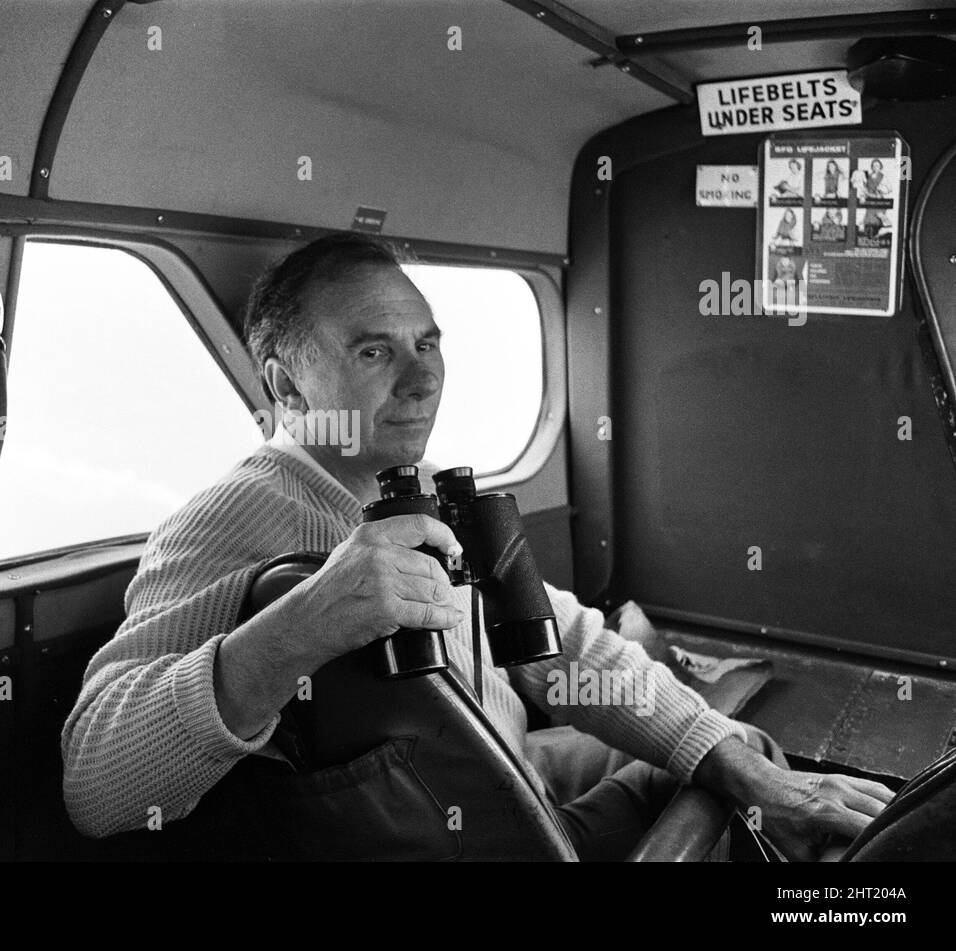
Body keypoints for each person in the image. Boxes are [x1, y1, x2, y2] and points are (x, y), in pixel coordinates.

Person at [61, 232, 893, 860]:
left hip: (507, 768)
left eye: (428, 343)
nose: (422, 379)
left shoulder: (404, 487)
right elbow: (97, 783)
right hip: (480, 834)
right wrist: (298, 626)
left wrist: (714, 748)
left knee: (727, 746)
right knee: (738, 782)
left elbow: (560, 646)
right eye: (374, 350)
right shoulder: (234, 516)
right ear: (285, 386)